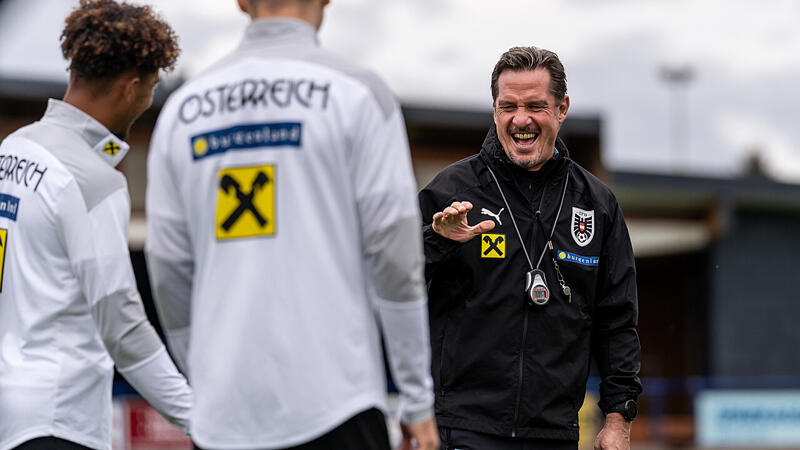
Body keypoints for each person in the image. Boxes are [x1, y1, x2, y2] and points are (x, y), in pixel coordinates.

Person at [144, 0, 438, 449]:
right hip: (336, 403)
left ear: (241, 2)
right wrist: (416, 398)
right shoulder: (358, 93)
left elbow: (168, 272)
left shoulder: (181, 112)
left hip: (224, 418)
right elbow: (395, 258)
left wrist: (205, 378)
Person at [418, 46, 642, 450]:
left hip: (554, 432)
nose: (520, 120)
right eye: (508, 106)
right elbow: (391, 285)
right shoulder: (451, 191)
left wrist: (617, 418)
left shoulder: (597, 204)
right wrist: (436, 242)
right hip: (462, 428)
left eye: (535, 106)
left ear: (562, 108)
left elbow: (616, 321)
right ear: (495, 111)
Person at [0, 1, 192, 450]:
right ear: (131, 88)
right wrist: (198, 418)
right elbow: (122, 327)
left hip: (11, 417)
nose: (148, 101)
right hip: (58, 422)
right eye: (151, 89)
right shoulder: (93, 181)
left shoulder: (11, 150)